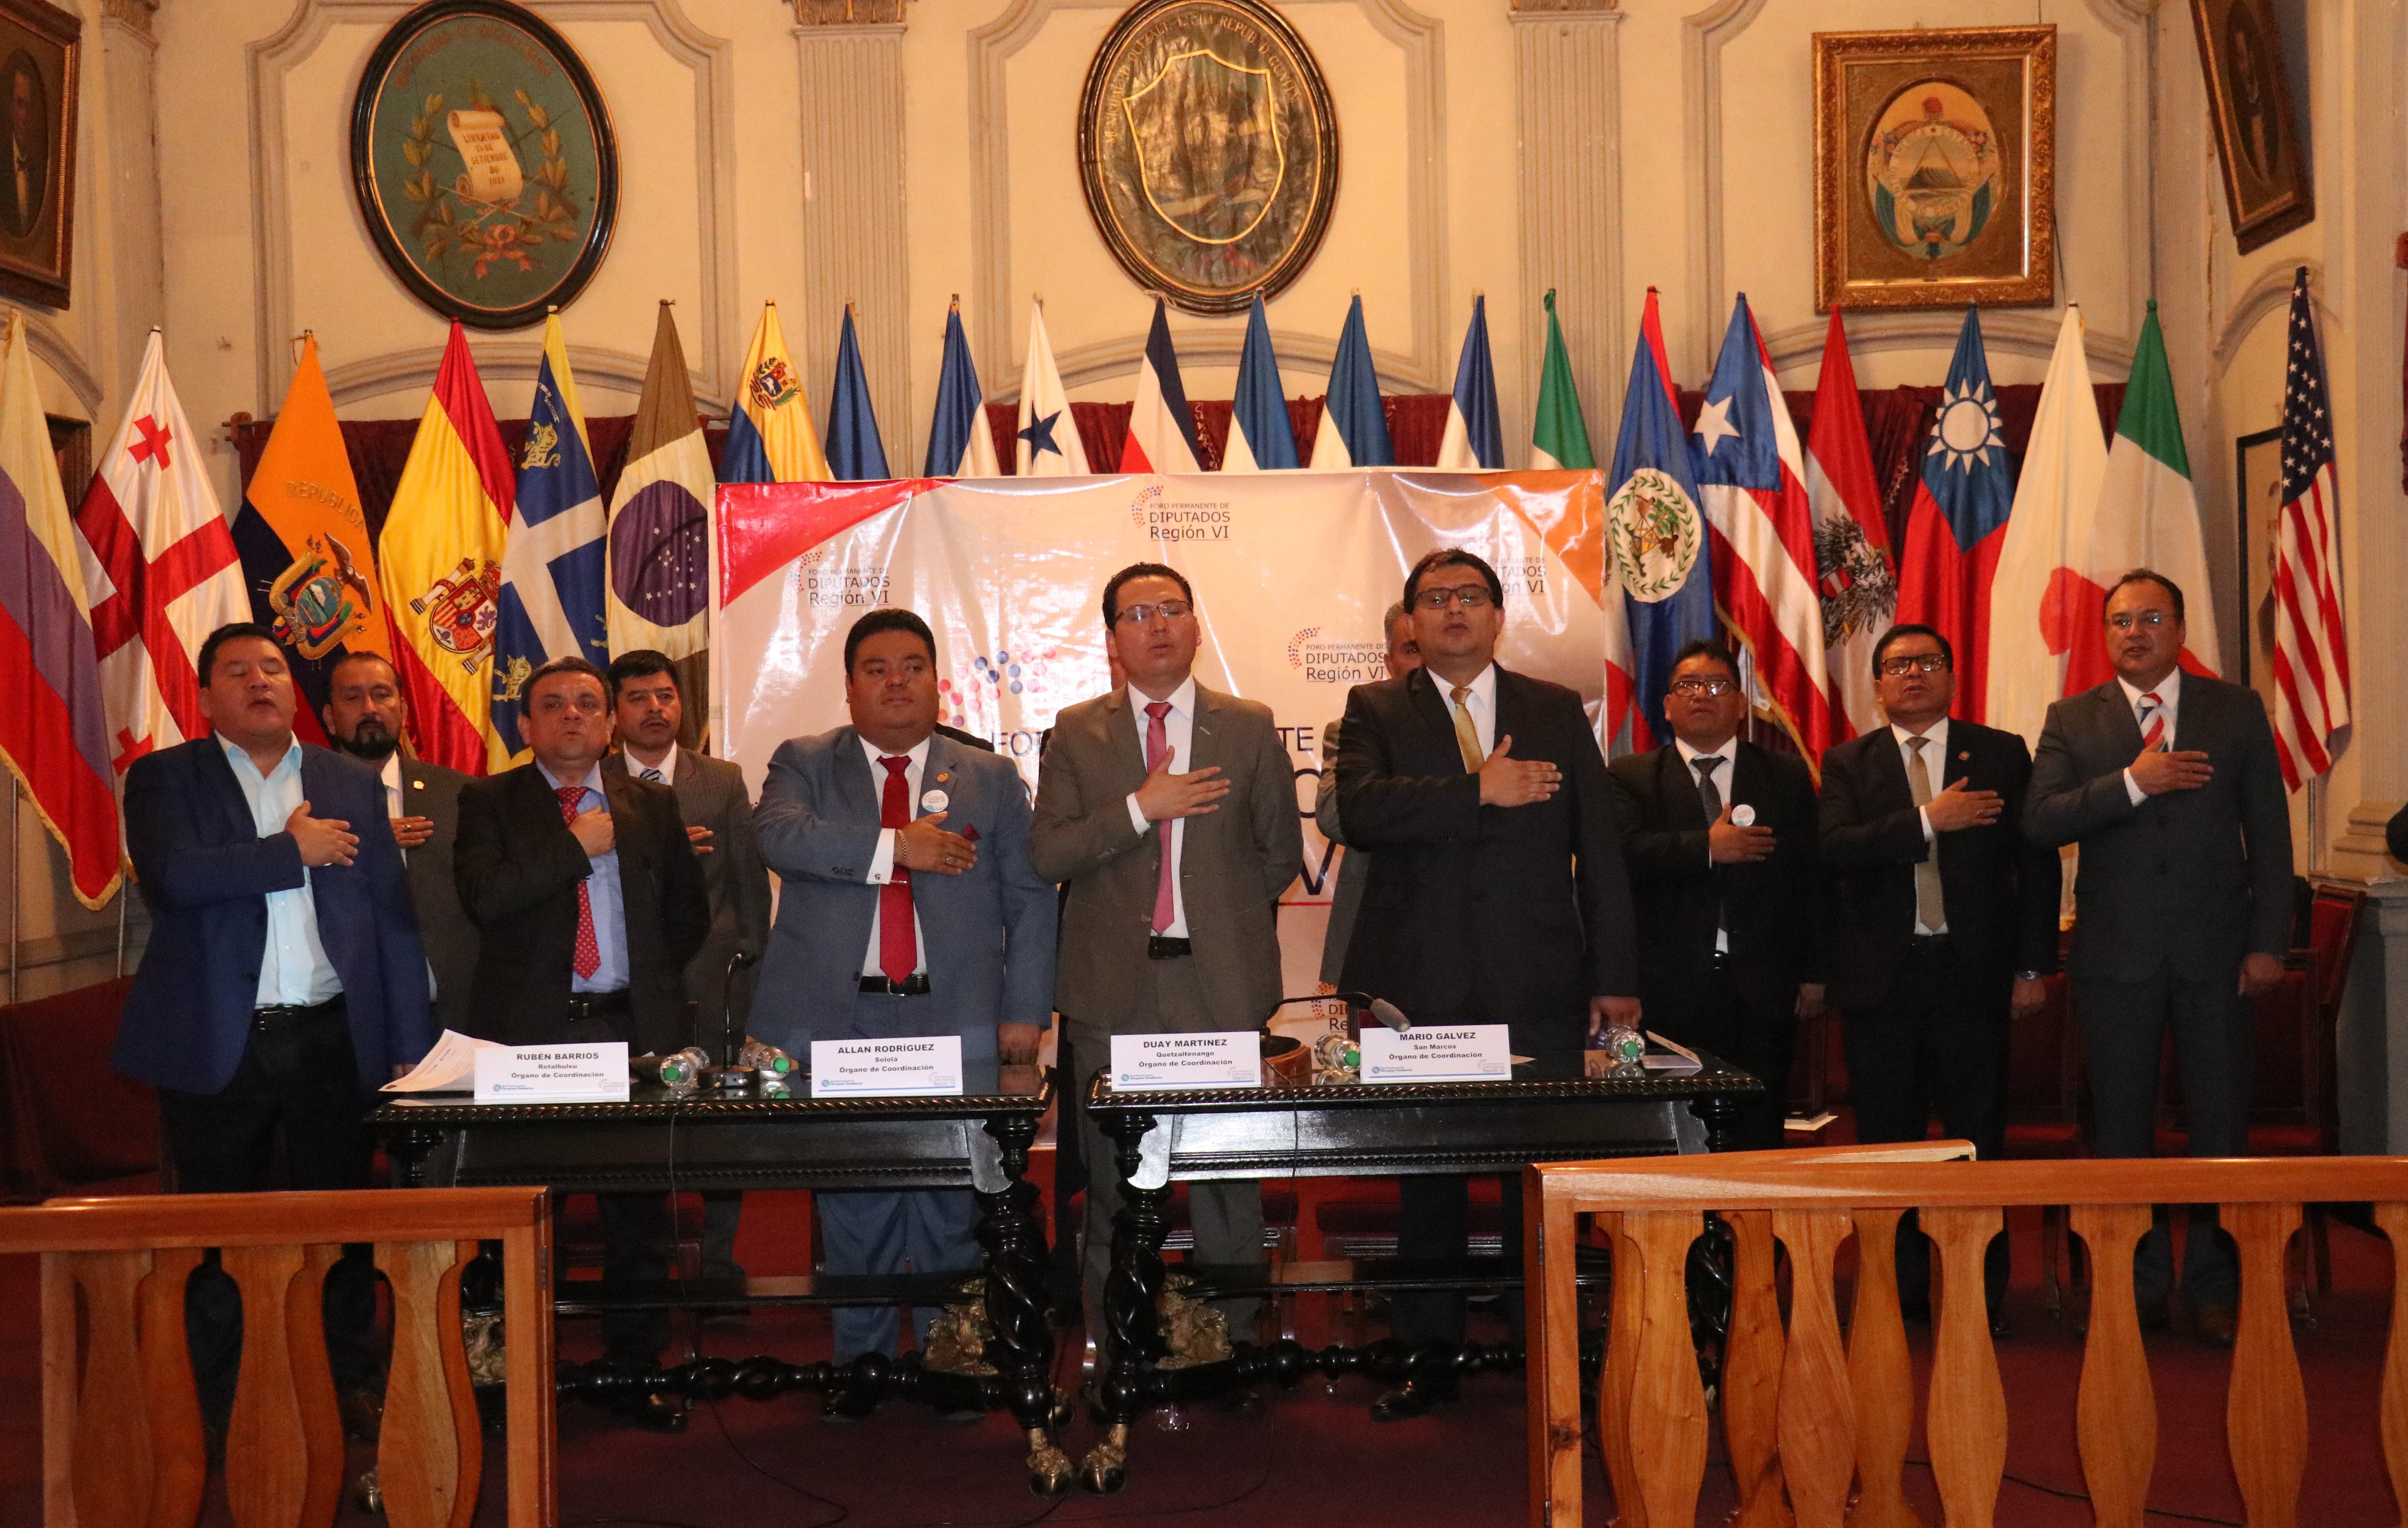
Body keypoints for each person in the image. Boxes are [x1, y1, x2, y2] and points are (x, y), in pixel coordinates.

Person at [1332, 548, 1639, 1420]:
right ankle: (1427, 1354)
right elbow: (1362, 810)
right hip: (1417, 982)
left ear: (1499, 617)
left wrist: (1616, 975)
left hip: (1535, 974)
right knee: (1428, 1176)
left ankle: (1542, 1349)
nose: (1454, 611)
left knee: (1534, 1175)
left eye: (1471, 597)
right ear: (1415, 622)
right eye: (1435, 600)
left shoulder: (1552, 709)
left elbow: (1603, 855)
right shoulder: (1376, 708)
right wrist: (1478, 791)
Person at [113, 622, 430, 1443]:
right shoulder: (164, 778)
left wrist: (408, 1042)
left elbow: (392, 921)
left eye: (275, 667)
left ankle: (347, 1382)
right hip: (220, 1041)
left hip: (330, 1037)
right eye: (237, 671)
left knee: (342, 1222)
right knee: (216, 1233)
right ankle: (220, 1402)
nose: (260, 681)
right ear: (207, 696)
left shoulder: (348, 780)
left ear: (295, 689)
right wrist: (290, 851)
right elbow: (176, 878)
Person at [750, 609, 1055, 1401]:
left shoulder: (987, 776)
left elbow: (1028, 900)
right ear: (849, 684)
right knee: (856, 1196)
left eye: (913, 664)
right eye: (877, 667)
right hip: (842, 1019)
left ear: (935, 678)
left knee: (958, 1193)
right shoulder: (804, 761)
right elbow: (780, 838)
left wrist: (1025, 1010)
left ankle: (955, 1357)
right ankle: (864, 1363)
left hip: (957, 1015)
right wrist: (895, 847)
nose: (896, 680)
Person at [1031, 562, 1302, 1365]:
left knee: (1225, 1174)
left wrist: (1212, 917)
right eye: (1136, 613)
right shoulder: (1077, 730)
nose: (1156, 624)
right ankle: (1118, 1341)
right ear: (1112, 637)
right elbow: (1049, 851)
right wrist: (1135, 810)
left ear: (1192, 622)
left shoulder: (1247, 724)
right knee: (1117, 1181)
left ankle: (1231, 1340)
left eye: (1171, 609)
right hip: (1113, 993)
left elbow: (1278, 853)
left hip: (1216, 984)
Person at [2025, 570, 2292, 1349]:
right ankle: (2134, 1286)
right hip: (2115, 957)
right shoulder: (2073, 719)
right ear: (2104, 634)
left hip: (2218, 955)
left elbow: (2268, 838)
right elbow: (2039, 821)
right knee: (2119, 1133)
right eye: (2118, 620)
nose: (2132, 631)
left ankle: (2213, 1287)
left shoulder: (2234, 709)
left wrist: (2267, 940)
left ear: (2177, 628)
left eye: (2149, 617)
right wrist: (2128, 785)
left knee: (2219, 1132)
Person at [453, 655, 710, 1428]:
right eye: (553, 704)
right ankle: (521, 1376)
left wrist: (649, 998)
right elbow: (485, 898)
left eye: (587, 704)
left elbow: (686, 918)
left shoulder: (651, 804)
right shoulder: (490, 800)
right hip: (532, 1042)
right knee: (532, 1216)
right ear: (525, 725)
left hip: (630, 1032)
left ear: (608, 725)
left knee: (636, 1217)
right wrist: (575, 843)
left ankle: (637, 1370)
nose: (572, 715)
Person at [1818, 623, 2059, 1332]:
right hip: (1880, 983)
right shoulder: (1847, 762)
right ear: (1877, 683)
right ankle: (1897, 1289)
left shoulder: (1997, 752)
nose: (1912, 675)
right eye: (1896, 665)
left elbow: (2034, 865)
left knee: (1974, 1137)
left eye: (1926, 662)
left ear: (1950, 674)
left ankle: (1975, 1290)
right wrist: (1929, 818)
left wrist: (2029, 965)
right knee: (1887, 1141)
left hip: (1972, 975)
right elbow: (1834, 850)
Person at [1606, 639, 1822, 1152]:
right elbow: (1623, 854)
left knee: (1758, 1132)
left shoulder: (1785, 775)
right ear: (1667, 705)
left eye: (1718, 685)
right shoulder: (1631, 776)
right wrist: (1708, 847)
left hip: (1763, 987)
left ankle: (1751, 1234)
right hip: (1666, 988)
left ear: (1741, 704)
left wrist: (1814, 972)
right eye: (1687, 685)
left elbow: (1809, 877)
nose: (1702, 695)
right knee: (1671, 1134)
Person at [603, 651, 772, 1302]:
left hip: (712, 972)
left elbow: (749, 886)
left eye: (666, 695)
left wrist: (751, 967)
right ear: (616, 712)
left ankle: (721, 1265)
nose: (655, 708)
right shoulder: (594, 779)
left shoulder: (721, 779)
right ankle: (645, 1266)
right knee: (641, 1127)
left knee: (719, 1124)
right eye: (639, 697)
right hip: (628, 983)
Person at [321, 651, 479, 1037]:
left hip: (451, 1017)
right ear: (329, 716)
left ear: (403, 709)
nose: (370, 708)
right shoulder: (305, 797)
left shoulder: (458, 792)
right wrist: (371, 844)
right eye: (353, 697)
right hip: (343, 1022)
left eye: (382, 695)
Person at [1315, 601, 1420, 985]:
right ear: (1389, 661)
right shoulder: (1352, 727)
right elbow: (1335, 816)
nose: (1425, 661)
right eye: (1411, 650)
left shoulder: (1495, 726)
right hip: (1379, 942)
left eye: (1432, 647)